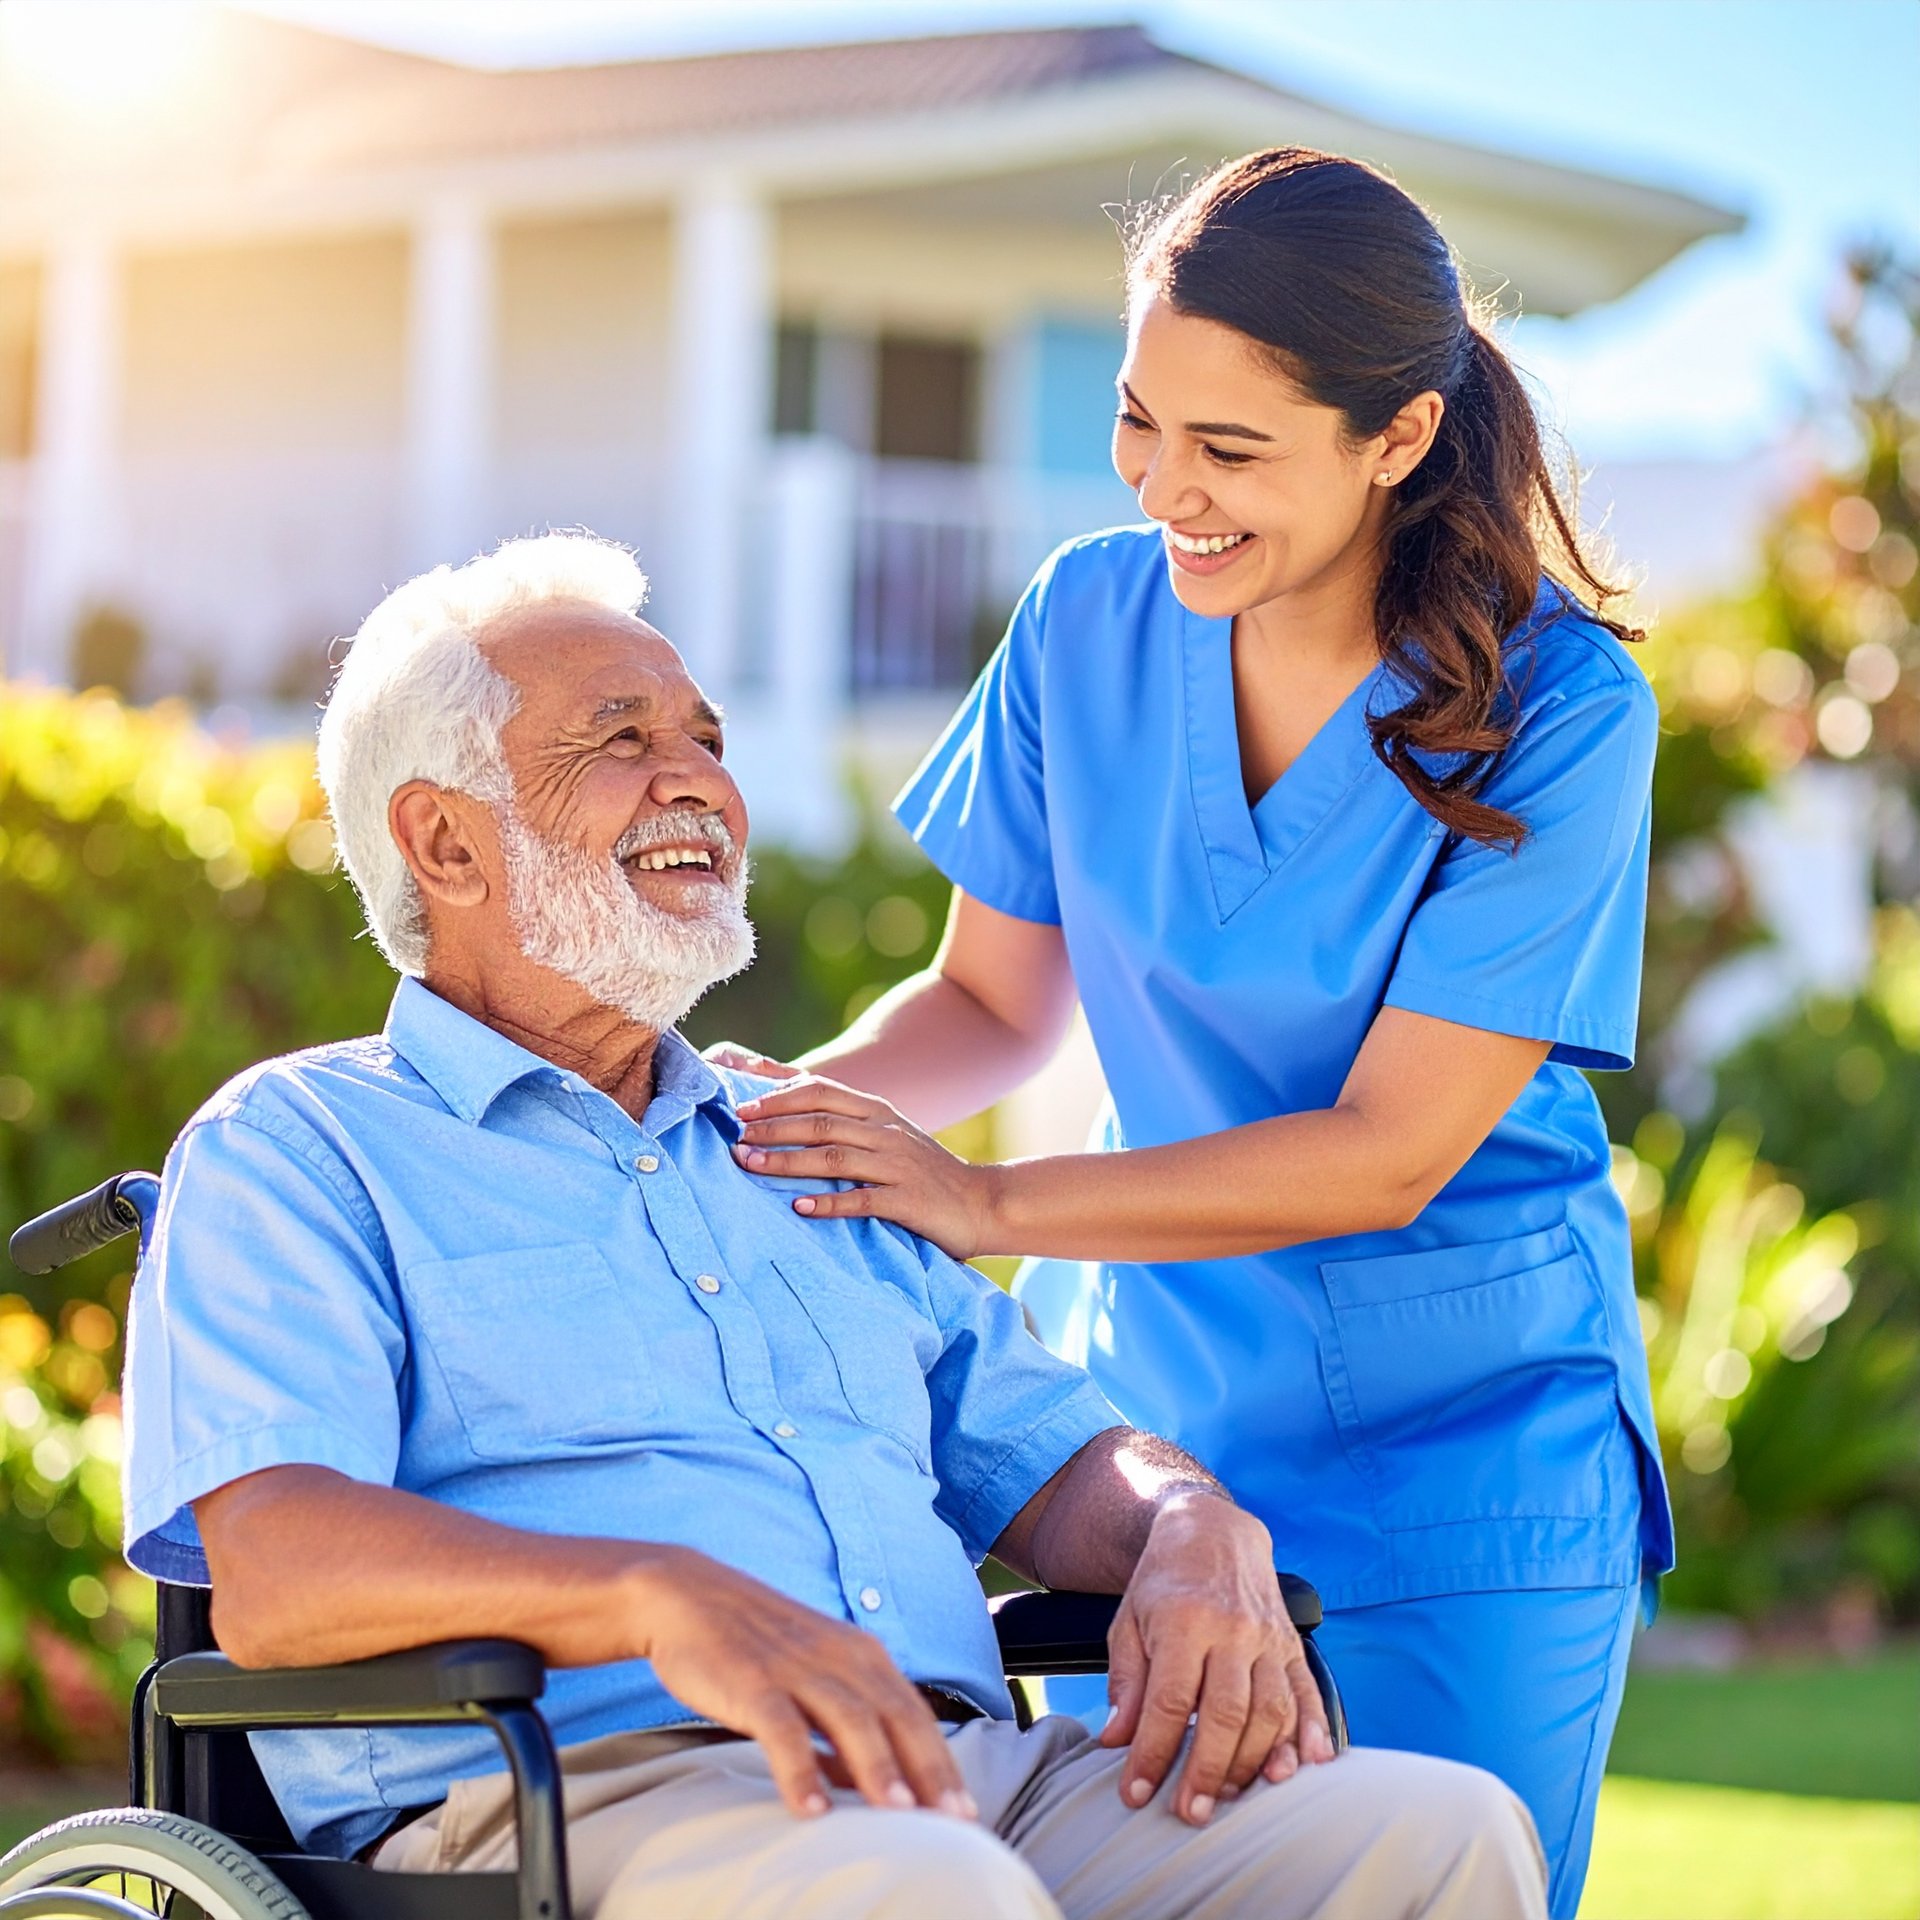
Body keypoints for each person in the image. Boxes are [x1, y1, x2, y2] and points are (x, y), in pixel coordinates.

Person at [120, 535, 1546, 1920]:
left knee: (1435, 1838)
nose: (699, 783)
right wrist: (652, 1596)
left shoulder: (795, 1138)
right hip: (580, 1793)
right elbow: (278, 1571)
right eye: (619, 742)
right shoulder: (301, 1151)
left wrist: (1188, 1520)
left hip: (955, 1773)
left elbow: (1047, 1459)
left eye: (707, 738)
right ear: (442, 838)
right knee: (927, 1892)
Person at [703, 148, 1670, 1920]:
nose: (1168, 490)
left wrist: (982, 1206)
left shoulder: (1563, 710)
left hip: (1468, 1460)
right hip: (1164, 1448)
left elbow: (1390, 1151)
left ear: (1398, 437)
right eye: (1143, 423)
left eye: (1232, 452)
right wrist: (738, 1118)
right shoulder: (1085, 618)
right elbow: (991, 1005)